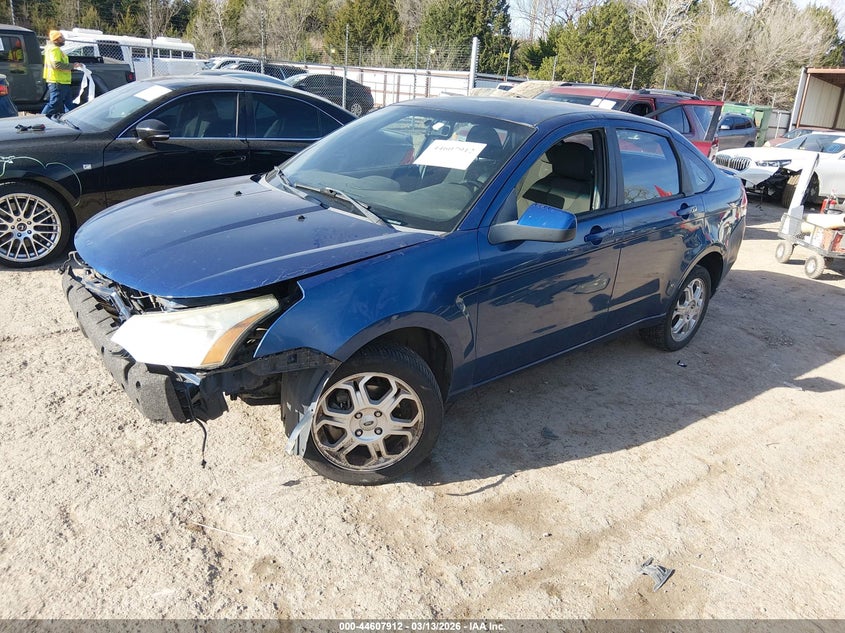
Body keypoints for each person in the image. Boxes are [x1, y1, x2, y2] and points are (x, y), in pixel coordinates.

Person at [41, 30, 79, 117]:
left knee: (69, 104)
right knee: (54, 103)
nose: (64, 39)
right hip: (58, 81)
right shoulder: (54, 49)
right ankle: (41, 118)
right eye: (61, 37)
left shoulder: (53, 49)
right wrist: (73, 66)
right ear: (55, 40)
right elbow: (56, 65)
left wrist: (72, 66)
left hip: (62, 82)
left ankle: (71, 119)